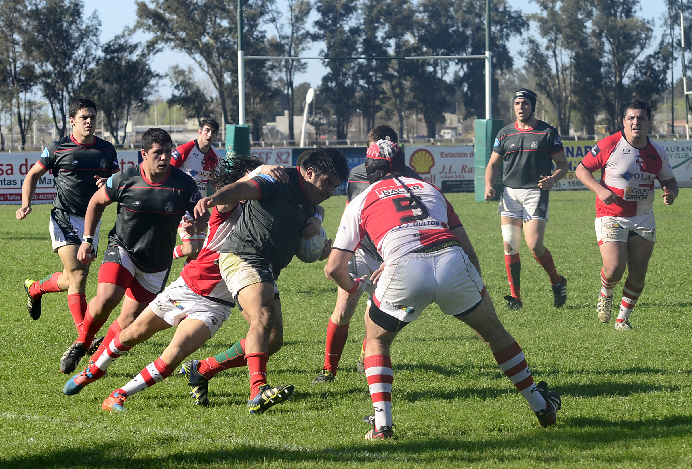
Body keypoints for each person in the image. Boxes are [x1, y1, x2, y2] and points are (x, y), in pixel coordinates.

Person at [324, 139, 561, 440]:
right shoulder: (430, 189)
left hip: (404, 269)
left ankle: (382, 425)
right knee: (495, 334)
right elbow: (469, 251)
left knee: (376, 341)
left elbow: (333, 268)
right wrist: (474, 298)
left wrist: (355, 286)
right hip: (452, 260)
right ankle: (541, 405)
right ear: (403, 165)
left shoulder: (362, 198)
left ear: (369, 170)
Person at [61, 158, 287, 411]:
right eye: (254, 181)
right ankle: (92, 372)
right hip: (187, 288)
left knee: (174, 354)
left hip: (216, 306)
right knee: (132, 333)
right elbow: (235, 190)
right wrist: (260, 171)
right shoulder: (226, 206)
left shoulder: (264, 215)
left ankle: (118, 395)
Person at [181, 147, 350, 414]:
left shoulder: (311, 199)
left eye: (335, 186)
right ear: (309, 172)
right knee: (261, 317)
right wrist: (214, 198)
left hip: (267, 266)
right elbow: (243, 190)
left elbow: (313, 219)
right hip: (243, 254)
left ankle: (202, 368)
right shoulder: (278, 180)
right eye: (327, 182)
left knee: (272, 340)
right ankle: (257, 390)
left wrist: (318, 227)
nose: (330, 191)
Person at [58, 128, 208, 375]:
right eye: (158, 152)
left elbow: (204, 216)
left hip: (157, 261)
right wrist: (86, 240)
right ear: (144, 154)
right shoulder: (125, 178)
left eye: (168, 152)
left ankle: (96, 360)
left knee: (128, 322)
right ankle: (81, 343)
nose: (164, 158)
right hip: (123, 248)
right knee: (107, 298)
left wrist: (196, 225)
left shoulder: (183, 184)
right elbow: (96, 202)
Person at [311, 125, 420, 385]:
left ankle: (366, 354)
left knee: (379, 312)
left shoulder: (412, 177)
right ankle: (328, 370)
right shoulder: (358, 175)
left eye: (388, 143)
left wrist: (392, 260)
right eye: (377, 144)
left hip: (393, 254)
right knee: (344, 307)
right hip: (361, 250)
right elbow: (352, 212)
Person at [16, 98, 119, 370]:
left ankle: (36, 289)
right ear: (72, 121)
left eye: (93, 117)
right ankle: (85, 337)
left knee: (70, 278)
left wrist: (108, 184)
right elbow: (32, 175)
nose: (89, 121)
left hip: (92, 221)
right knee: (79, 275)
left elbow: (120, 183)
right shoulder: (58, 148)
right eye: (84, 117)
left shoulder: (106, 150)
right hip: (63, 216)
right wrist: (26, 203)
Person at [575, 99, 679, 330]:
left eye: (641, 118)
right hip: (610, 214)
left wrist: (671, 193)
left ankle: (622, 319)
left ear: (649, 122)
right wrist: (600, 190)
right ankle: (606, 292)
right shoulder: (610, 143)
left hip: (643, 217)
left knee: (639, 272)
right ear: (623, 121)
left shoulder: (658, 152)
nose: (636, 122)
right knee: (614, 267)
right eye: (631, 118)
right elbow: (581, 169)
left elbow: (670, 181)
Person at [484, 88, 569, 310]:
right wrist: (489, 186)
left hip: (535, 193)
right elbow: (493, 164)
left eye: (525, 104)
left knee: (534, 245)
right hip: (510, 194)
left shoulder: (547, 132)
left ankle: (557, 281)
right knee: (509, 246)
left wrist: (552, 179)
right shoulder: (504, 134)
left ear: (533, 106)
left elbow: (563, 164)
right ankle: (516, 298)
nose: (521, 108)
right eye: (517, 103)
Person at [171, 118, 221, 260]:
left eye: (214, 132)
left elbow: (215, 182)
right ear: (200, 132)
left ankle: (188, 281)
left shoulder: (216, 156)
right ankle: (160, 256)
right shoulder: (185, 150)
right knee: (191, 248)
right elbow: (167, 173)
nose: (210, 135)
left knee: (198, 252)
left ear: (217, 136)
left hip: (201, 208)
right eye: (207, 130)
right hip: (182, 204)